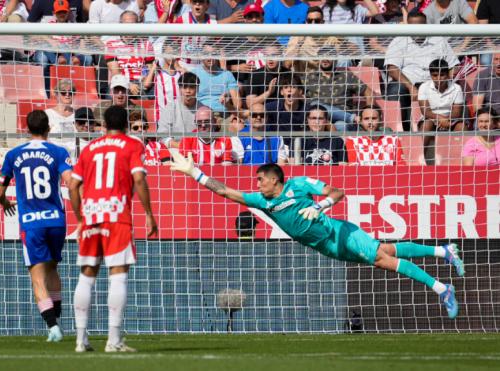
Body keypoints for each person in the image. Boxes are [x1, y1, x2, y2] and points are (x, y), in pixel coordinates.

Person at [169, 155, 464, 319]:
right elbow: (225, 191)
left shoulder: (298, 185)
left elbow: (338, 192)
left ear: (274, 179)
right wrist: (195, 172)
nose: (256, 183)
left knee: (382, 259)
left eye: (260, 179)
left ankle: (441, 289)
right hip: (328, 248)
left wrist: (320, 205)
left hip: (338, 232)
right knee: (387, 249)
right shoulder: (263, 201)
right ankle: (443, 251)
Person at [68, 105, 158, 353]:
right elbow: (139, 178)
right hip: (116, 214)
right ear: (127, 126)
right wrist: (149, 214)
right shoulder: (132, 145)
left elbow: (72, 186)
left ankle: (80, 340)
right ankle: (113, 340)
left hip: (90, 216)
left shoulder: (89, 148)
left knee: (86, 276)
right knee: (117, 275)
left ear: (104, 126)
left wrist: (79, 217)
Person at [0, 110, 73, 342]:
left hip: (32, 223)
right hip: (57, 221)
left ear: (26, 129)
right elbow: (69, 180)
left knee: (37, 277)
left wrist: (5, 203)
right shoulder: (59, 152)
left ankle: (52, 327)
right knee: (52, 270)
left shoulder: (13, 155)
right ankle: (57, 319)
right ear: (48, 127)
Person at [383, 10, 459, 132]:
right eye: (412, 26)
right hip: (408, 83)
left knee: (456, 89)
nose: (416, 29)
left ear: (425, 24)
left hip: (435, 82)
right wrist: (411, 87)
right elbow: (392, 68)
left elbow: (453, 65)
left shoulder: (439, 40)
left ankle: (453, 126)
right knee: (395, 89)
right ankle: (398, 130)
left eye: (420, 25)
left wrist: (445, 82)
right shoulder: (399, 40)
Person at [304, 55, 372, 131]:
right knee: (316, 105)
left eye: (329, 56)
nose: (325, 59)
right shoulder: (310, 77)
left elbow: (369, 92)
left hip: (342, 117)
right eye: (322, 56)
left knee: (341, 126)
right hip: (318, 117)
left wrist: (369, 112)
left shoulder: (346, 76)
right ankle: (351, 118)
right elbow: (298, 93)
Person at [417, 58, 465, 164]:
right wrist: (440, 118)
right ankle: (420, 157)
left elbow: (457, 112)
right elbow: (426, 111)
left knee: (462, 127)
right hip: (430, 118)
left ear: (447, 74)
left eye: (442, 75)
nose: (438, 78)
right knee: (426, 125)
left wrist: (446, 120)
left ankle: (459, 159)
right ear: (430, 75)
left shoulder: (456, 88)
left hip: (451, 118)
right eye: (434, 75)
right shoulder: (424, 87)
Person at [105, 11, 155, 97]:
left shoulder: (147, 44)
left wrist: (143, 83)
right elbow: (115, 72)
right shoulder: (111, 45)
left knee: (154, 93)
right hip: (120, 83)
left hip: (142, 84)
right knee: (113, 95)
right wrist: (128, 85)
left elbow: (149, 70)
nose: (130, 28)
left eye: (133, 25)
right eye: (127, 25)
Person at [157, 71, 203, 148]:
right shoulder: (170, 107)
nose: (188, 91)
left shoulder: (203, 110)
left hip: (199, 150)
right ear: (179, 89)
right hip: (175, 149)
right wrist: (181, 147)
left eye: (191, 87)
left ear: (197, 89)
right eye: (184, 87)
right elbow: (162, 136)